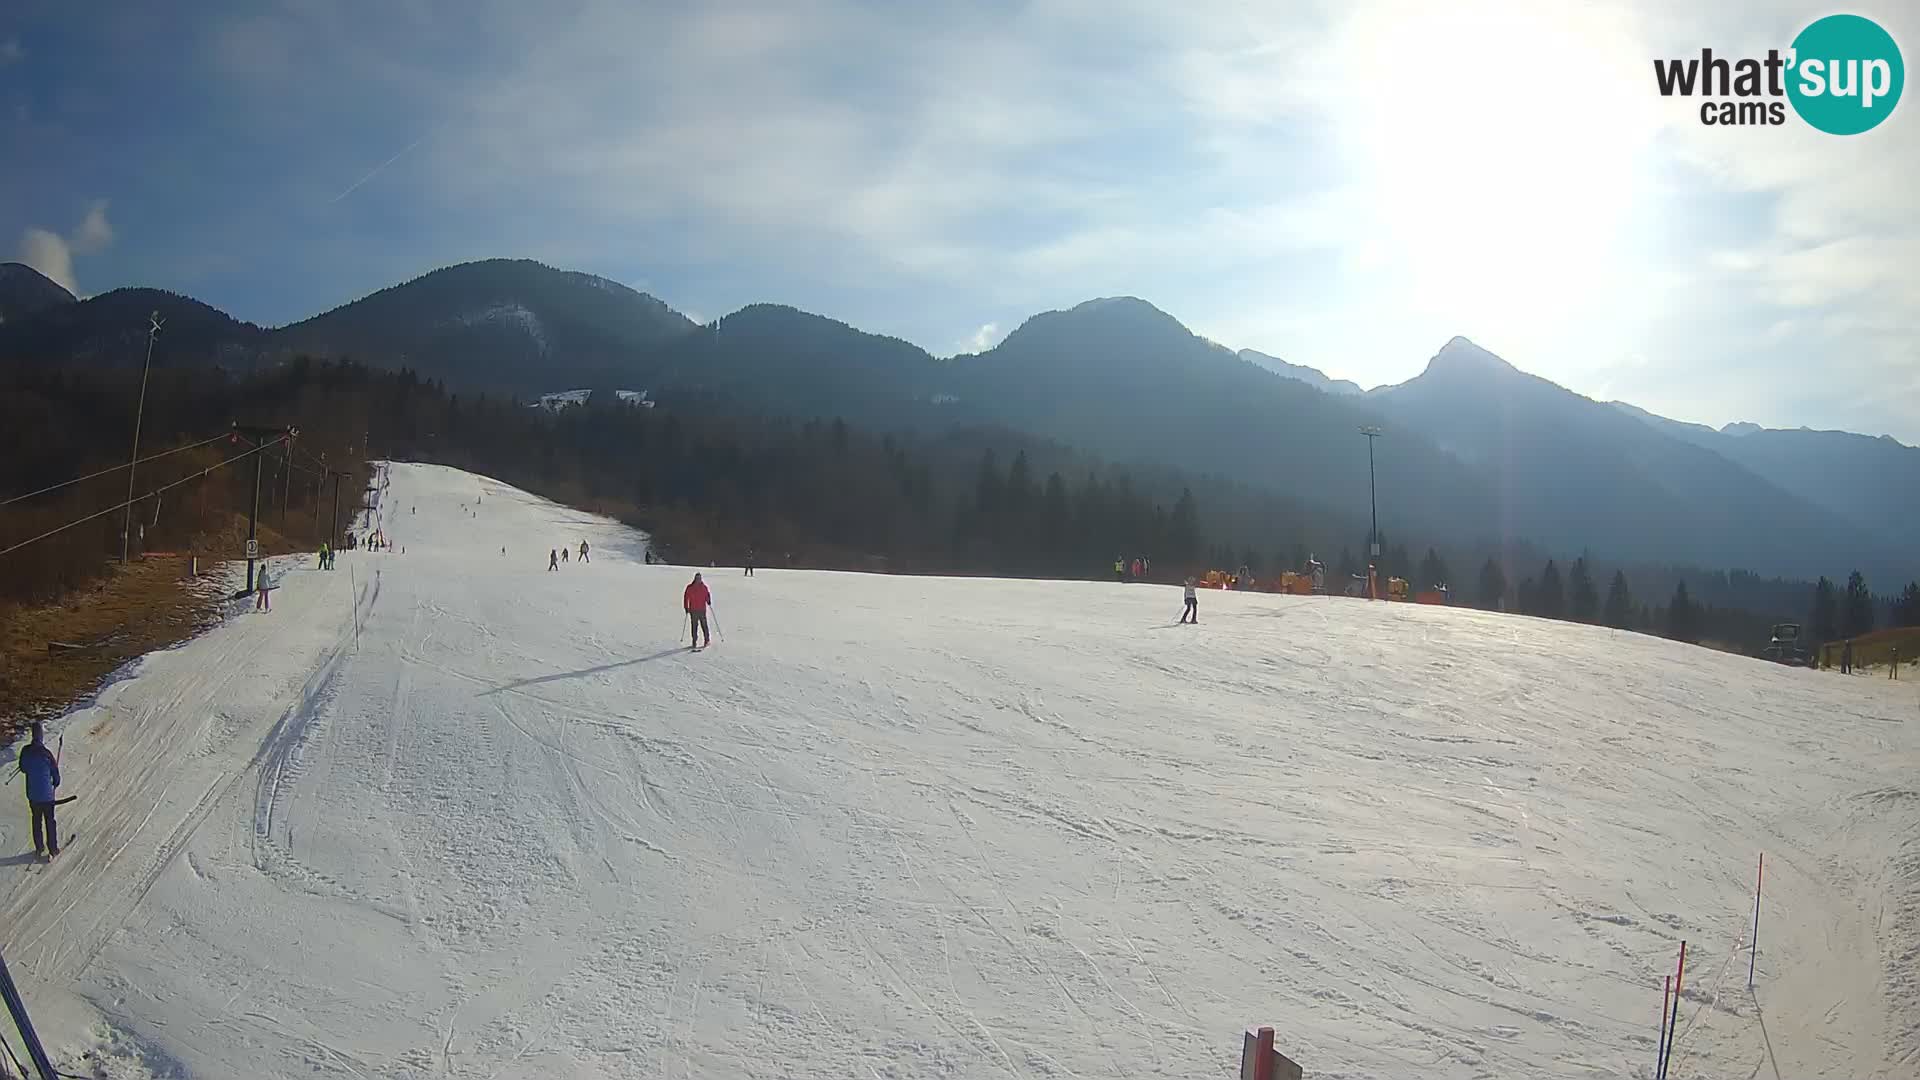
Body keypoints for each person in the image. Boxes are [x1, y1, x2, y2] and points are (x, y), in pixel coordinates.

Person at [18, 723, 60, 857]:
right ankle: (53, 848)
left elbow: (23, 768)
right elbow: (56, 776)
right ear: (41, 736)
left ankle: (39, 847)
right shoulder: (46, 753)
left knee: (36, 821)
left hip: (33, 795)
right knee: (50, 821)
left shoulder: (25, 751)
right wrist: (55, 783)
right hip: (47, 796)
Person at [684, 572, 714, 648]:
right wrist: (686, 607)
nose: (698, 580)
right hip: (693, 610)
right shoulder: (690, 587)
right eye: (697, 578)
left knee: (704, 625)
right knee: (694, 626)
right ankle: (694, 641)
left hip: (702, 610)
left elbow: (707, 595)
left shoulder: (704, 587)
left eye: (699, 579)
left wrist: (708, 601)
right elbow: (686, 597)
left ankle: (706, 640)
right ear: (695, 579)